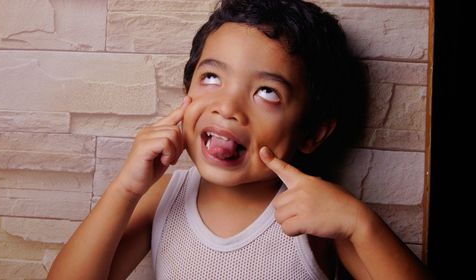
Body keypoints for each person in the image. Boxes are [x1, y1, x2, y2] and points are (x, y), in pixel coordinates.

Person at [48, 0, 430, 279]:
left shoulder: (319, 212)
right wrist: (125, 190)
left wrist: (359, 224)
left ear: (312, 132)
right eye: (211, 78)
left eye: (267, 92)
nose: (227, 107)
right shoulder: (165, 196)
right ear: (187, 91)